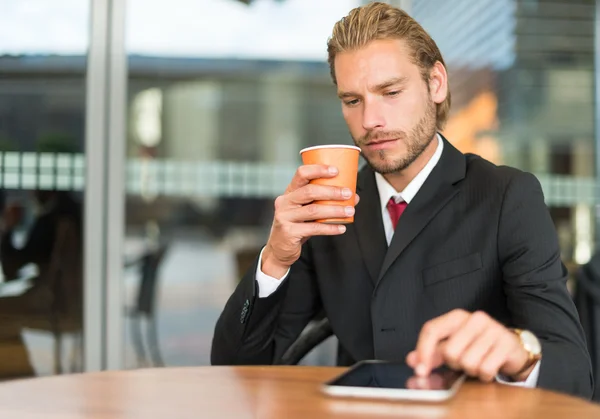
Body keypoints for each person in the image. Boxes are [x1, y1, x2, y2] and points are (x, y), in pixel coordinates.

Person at [211, 2, 593, 398]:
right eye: (352, 100)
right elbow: (233, 367)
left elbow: (575, 375)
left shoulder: (506, 198)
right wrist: (274, 259)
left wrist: (521, 356)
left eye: (390, 92)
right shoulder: (330, 209)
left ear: (436, 84)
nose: (370, 120)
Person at [0, 190, 82, 378]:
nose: (30, 191)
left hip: (58, 306)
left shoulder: (52, 220)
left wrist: (9, 227)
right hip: (74, 304)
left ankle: (19, 378)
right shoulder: (75, 212)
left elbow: (11, 268)